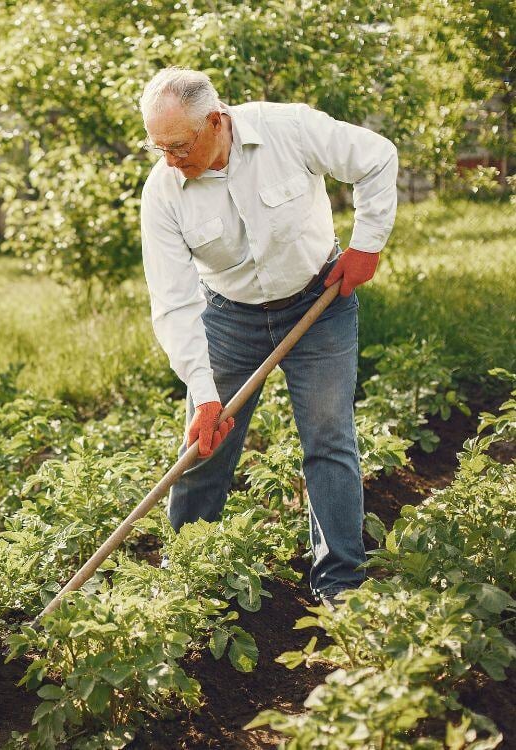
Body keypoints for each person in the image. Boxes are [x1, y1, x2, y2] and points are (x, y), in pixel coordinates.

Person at [138, 68, 398, 606]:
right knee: (206, 445)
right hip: (229, 317)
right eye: (157, 147)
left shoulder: (288, 129)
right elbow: (174, 301)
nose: (169, 159)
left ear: (216, 121)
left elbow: (377, 157)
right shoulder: (163, 191)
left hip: (318, 301)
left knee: (328, 438)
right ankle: (185, 576)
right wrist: (205, 395)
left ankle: (341, 582)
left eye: (179, 145)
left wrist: (367, 244)